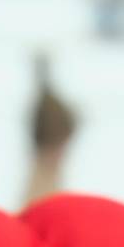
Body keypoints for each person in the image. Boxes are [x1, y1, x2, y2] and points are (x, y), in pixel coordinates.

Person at [25, 54, 78, 207]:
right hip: (46, 151)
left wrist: (53, 145)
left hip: (47, 152)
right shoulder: (46, 101)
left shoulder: (48, 103)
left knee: (45, 197)